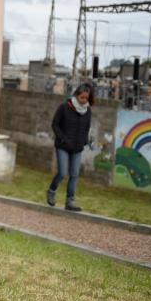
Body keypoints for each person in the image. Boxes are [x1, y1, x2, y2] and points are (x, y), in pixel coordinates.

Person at [47, 83, 94, 211]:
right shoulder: (64, 107)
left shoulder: (88, 111)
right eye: (82, 98)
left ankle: (70, 201)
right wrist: (62, 138)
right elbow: (55, 124)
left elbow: (87, 128)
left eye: (86, 98)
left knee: (74, 174)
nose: (84, 101)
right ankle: (51, 191)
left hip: (77, 147)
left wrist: (85, 140)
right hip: (63, 145)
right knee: (62, 172)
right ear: (76, 96)